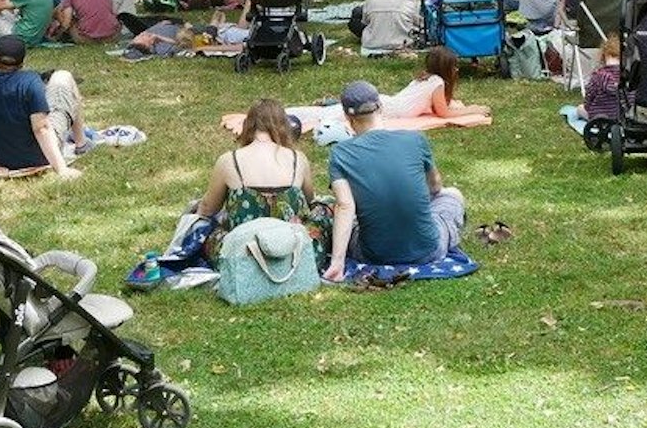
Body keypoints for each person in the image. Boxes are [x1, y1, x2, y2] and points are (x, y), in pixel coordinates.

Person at [322, 82, 467, 281]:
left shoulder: (340, 153)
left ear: (347, 117)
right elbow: (436, 187)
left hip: (373, 255)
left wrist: (337, 263)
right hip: (429, 251)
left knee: (348, 219)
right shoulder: (415, 139)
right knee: (453, 195)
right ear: (380, 107)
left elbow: (345, 206)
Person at [0, 36, 84, 178]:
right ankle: (81, 143)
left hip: (0, 159)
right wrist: (62, 169)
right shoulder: (31, 81)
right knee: (63, 76)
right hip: (40, 157)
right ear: (22, 63)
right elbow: (41, 128)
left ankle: (81, 143)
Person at [193, 98, 317, 230]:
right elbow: (311, 202)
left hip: (242, 241)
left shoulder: (229, 161)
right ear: (283, 126)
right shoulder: (298, 159)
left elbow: (208, 209)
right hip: (290, 241)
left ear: (248, 125)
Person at [376, 47, 489, 119]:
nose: (456, 69)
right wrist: (472, 110)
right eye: (454, 67)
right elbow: (444, 113)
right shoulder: (437, 82)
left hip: (386, 104)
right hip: (389, 111)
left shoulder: (425, 78)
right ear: (445, 69)